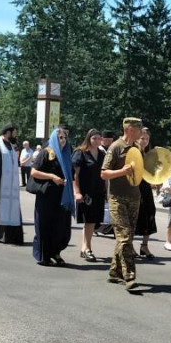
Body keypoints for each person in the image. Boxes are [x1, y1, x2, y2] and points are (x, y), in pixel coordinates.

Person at [101, 118, 143, 288]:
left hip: (134, 197)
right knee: (124, 237)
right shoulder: (116, 147)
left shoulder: (137, 148)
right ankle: (129, 276)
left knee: (127, 238)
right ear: (130, 129)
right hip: (117, 198)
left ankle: (114, 272)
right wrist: (122, 171)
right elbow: (104, 174)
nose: (141, 132)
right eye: (139, 129)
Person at [30, 126, 74, 265]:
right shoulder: (46, 152)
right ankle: (44, 255)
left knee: (61, 227)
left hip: (62, 196)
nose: (63, 140)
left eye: (65, 138)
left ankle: (56, 252)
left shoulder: (67, 153)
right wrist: (52, 177)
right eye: (60, 138)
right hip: (47, 196)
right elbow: (34, 172)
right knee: (45, 225)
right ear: (54, 138)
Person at [71, 129, 106, 261]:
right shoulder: (80, 153)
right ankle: (87, 248)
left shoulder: (102, 154)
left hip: (98, 191)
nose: (97, 141)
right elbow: (75, 175)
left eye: (98, 138)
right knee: (89, 220)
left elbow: (104, 173)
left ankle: (83, 248)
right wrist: (77, 192)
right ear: (89, 139)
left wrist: (107, 191)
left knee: (93, 221)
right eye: (94, 138)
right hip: (86, 192)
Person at [135, 127, 158, 259]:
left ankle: (144, 245)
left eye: (147, 139)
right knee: (135, 215)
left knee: (150, 212)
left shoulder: (148, 154)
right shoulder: (133, 152)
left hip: (145, 187)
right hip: (135, 187)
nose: (144, 141)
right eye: (142, 138)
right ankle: (130, 246)